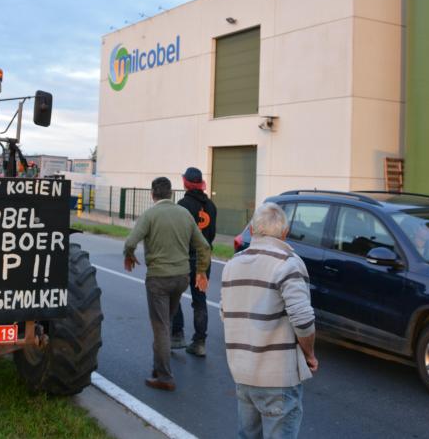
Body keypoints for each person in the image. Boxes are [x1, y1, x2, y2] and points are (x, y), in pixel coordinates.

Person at [221, 202, 318, 438]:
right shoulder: (288, 264)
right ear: (285, 233)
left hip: (242, 374)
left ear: (252, 232)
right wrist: (309, 355)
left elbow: (225, 314)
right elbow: (303, 320)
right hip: (278, 378)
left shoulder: (231, 265)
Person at [123, 176, 211, 391]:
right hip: (181, 278)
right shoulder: (184, 215)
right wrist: (200, 271)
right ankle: (157, 366)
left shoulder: (150, 215)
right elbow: (204, 246)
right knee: (166, 322)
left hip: (159, 279)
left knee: (161, 327)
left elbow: (130, 242)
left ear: (153, 194)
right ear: (171, 193)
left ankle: (164, 376)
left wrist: (129, 255)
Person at [171, 167, 217, 357]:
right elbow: (211, 234)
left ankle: (177, 335)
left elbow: (178, 234)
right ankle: (199, 343)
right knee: (200, 300)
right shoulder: (211, 206)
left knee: (174, 295)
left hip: (184, 258)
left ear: (185, 183)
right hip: (204, 260)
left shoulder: (182, 205)